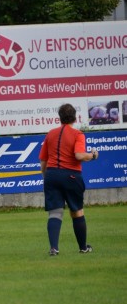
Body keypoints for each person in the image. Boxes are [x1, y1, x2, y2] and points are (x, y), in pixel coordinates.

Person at [39, 103, 98, 256]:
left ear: (60, 118)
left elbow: (43, 161)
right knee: (77, 212)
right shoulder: (78, 134)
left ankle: (54, 248)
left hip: (52, 175)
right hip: (71, 175)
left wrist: (46, 177)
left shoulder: (50, 134)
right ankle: (83, 248)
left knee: (55, 212)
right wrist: (92, 155)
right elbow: (79, 155)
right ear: (75, 117)